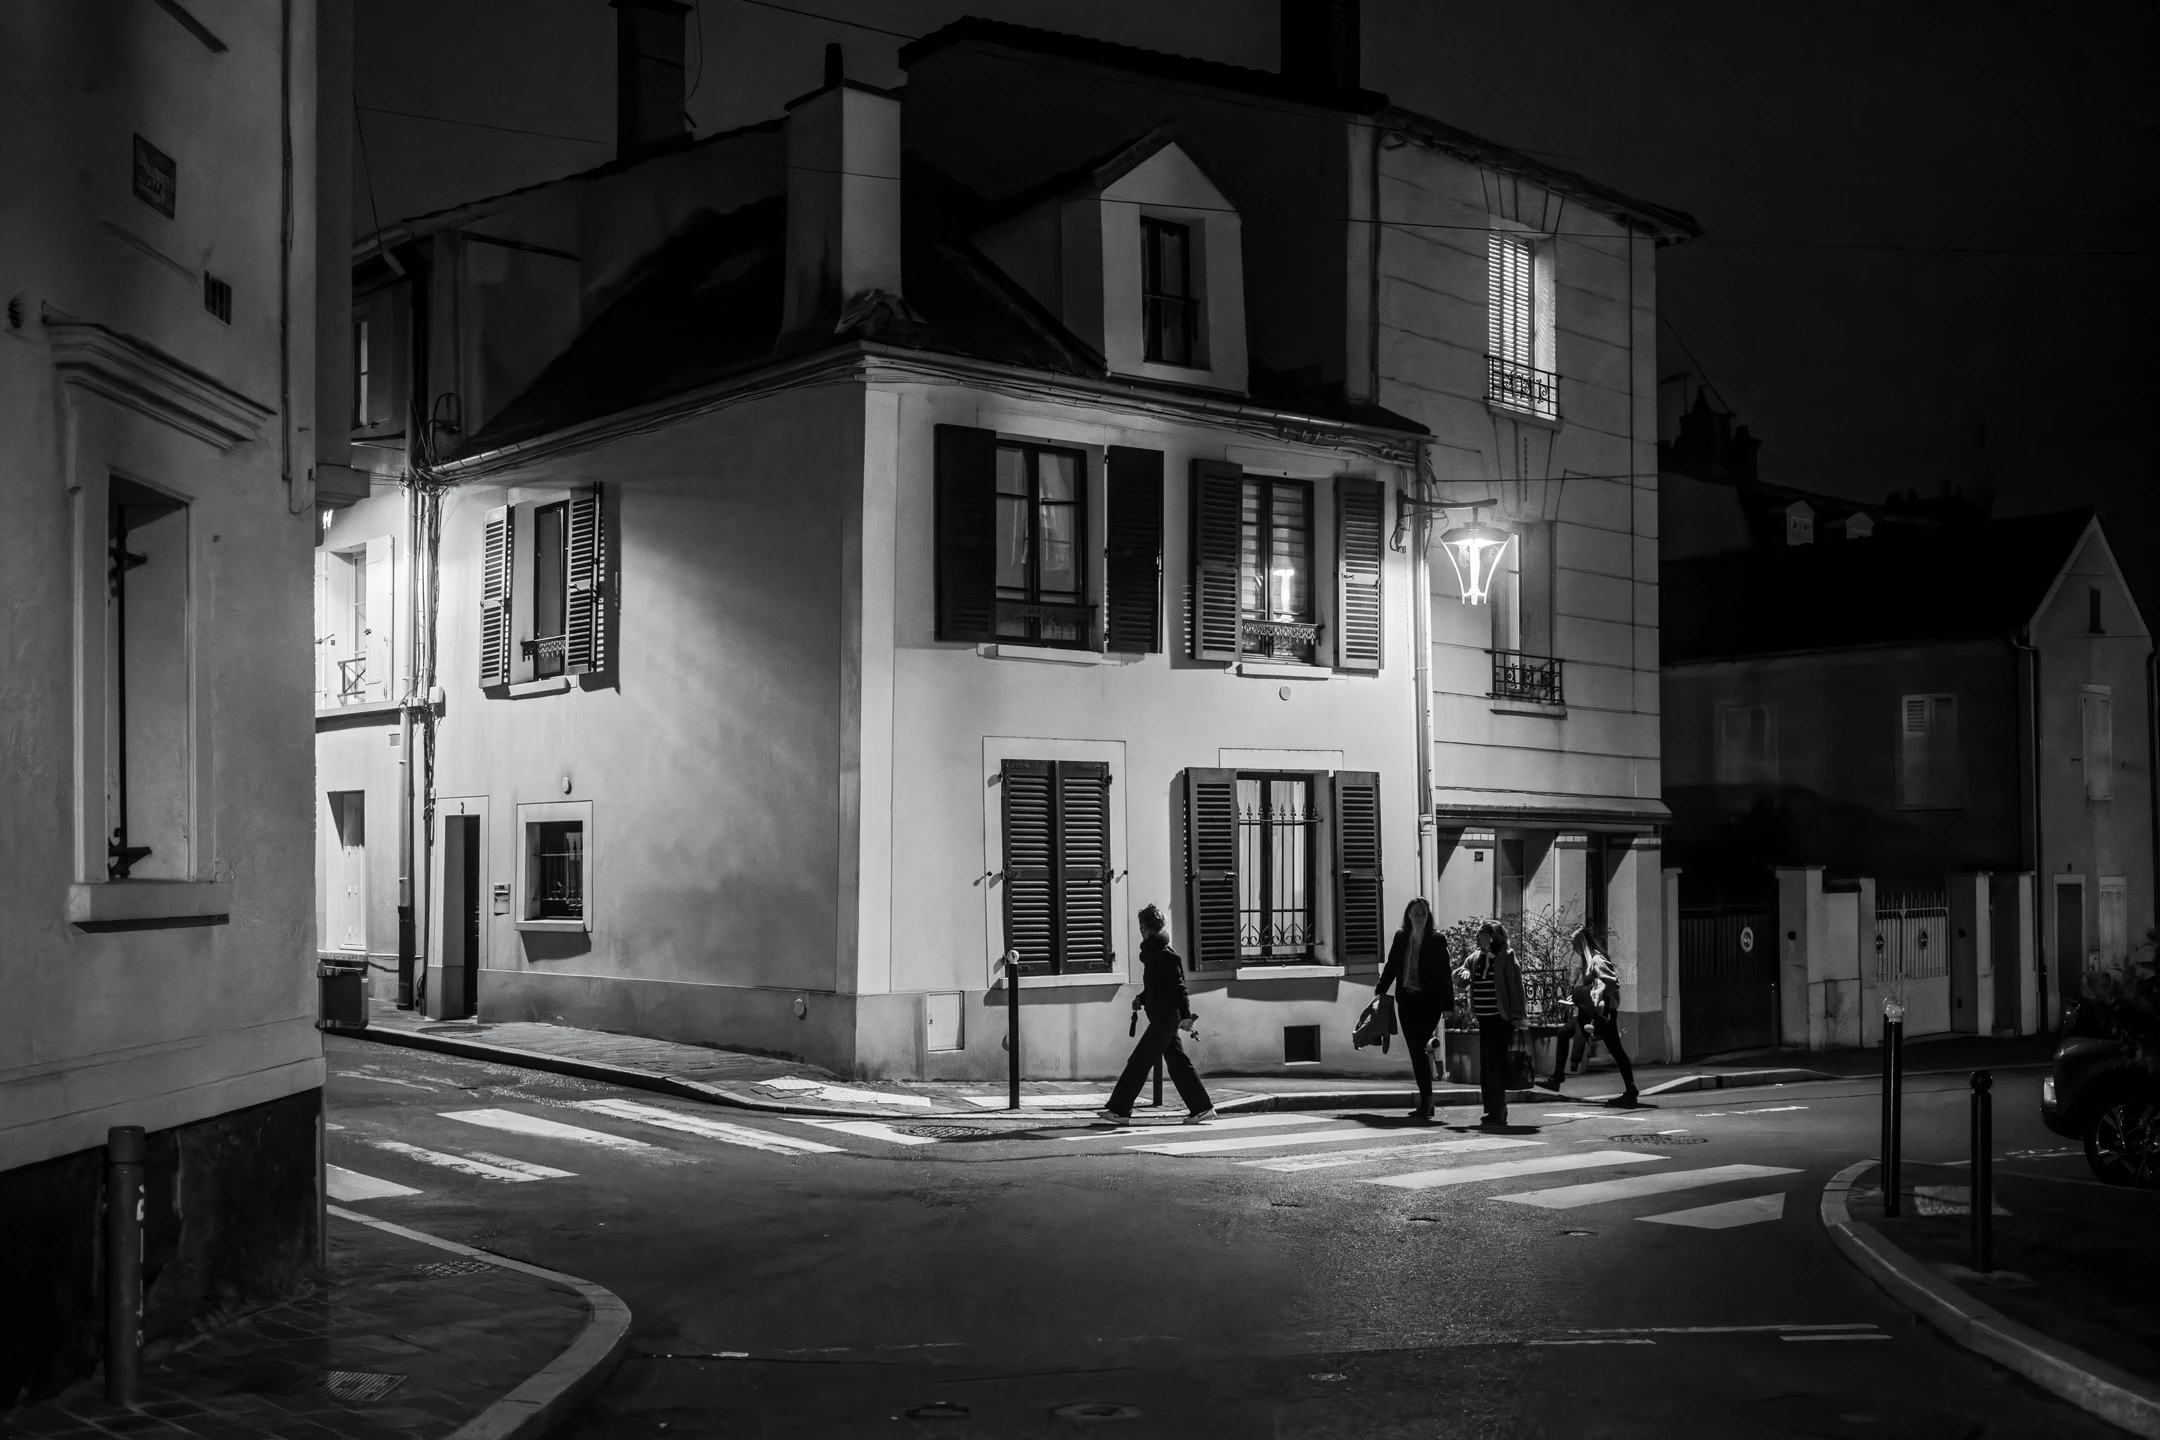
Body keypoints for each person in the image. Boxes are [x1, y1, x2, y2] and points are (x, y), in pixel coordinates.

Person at [1101, 904, 1216, 1124]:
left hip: (1165, 1019)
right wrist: (1142, 999)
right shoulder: (1156, 955)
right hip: (1164, 1017)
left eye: (1142, 927)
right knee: (1178, 1064)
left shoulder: (1165, 956)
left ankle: (1119, 1110)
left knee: (1139, 1061)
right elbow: (1159, 987)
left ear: (1144, 928)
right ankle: (1202, 1108)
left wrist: (1186, 1016)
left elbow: (1178, 988)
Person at [1542, 924, 1639, 1107]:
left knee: (1616, 1051)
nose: (1573, 947)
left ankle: (1631, 1089)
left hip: (1604, 1014)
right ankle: (1557, 1077)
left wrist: (1599, 991)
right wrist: (1579, 997)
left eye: (1574, 943)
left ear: (1582, 942)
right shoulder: (1588, 961)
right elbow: (1590, 986)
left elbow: (1612, 983)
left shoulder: (1597, 960)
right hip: (1591, 1013)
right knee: (1563, 1033)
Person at [1375, 897, 1452, 1121]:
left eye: (1423, 913)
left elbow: (1445, 973)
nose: (1419, 917)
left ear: (1428, 917)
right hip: (1407, 1002)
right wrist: (1381, 988)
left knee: (1419, 1047)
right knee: (1415, 1051)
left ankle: (1427, 1100)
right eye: (1415, 913)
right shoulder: (1401, 937)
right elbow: (1391, 965)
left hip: (1428, 1003)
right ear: (1408, 915)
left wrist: (1448, 1006)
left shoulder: (1437, 940)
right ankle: (1426, 1099)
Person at [1455, 922, 1526, 1129]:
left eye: (1481, 933)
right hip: (1484, 1019)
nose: (1477, 936)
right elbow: (1458, 977)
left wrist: (1519, 1016)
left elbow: (1516, 986)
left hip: (1501, 1019)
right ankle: (1490, 1109)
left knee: (1497, 1063)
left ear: (1492, 936)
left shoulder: (1507, 956)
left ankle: (1499, 1108)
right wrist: (1462, 975)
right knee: (1486, 1065)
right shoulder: (1476, 957)